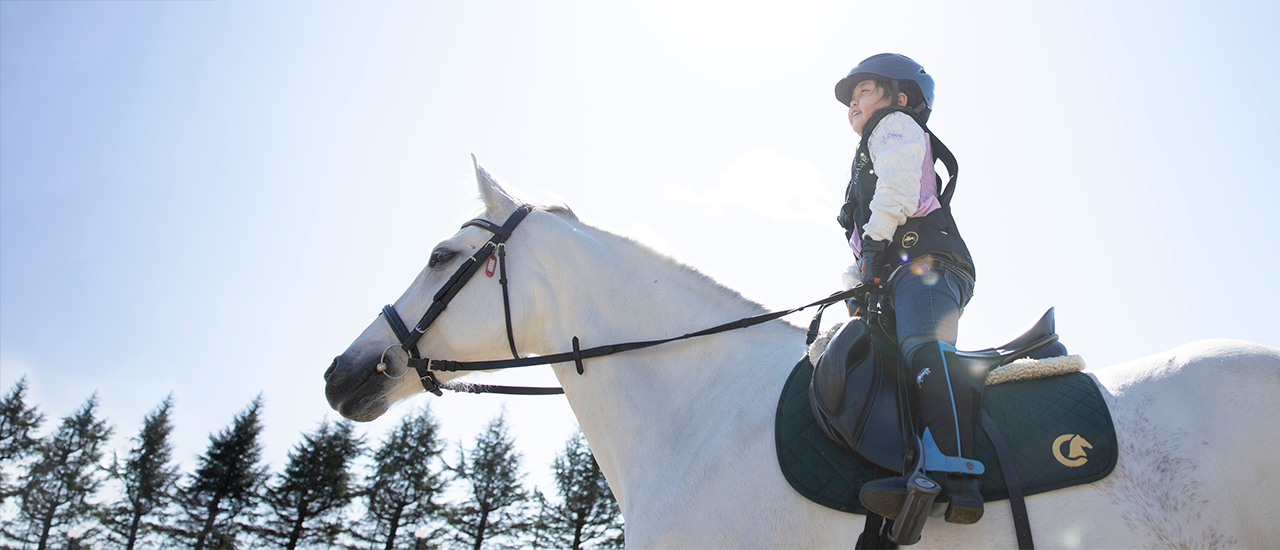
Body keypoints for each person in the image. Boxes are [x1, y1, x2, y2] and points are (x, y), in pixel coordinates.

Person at [833, 53, 984, 525]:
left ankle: (958, 472)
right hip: (895, 275)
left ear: (899, 98)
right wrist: (858, 280)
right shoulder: (867, 152)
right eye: (851, 98)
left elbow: (897, 188)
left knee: (921, 346)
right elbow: (864, 241)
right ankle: (911, 464)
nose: (854, 102)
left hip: (929, 265)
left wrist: (876, 245)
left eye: (864, 91)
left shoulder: (894, 125)